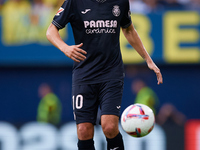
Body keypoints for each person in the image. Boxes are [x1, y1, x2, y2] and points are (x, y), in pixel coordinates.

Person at [46, 0, 163, 149]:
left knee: (109, 126)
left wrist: (148, 59)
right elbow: (51, 31)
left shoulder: (120, 2)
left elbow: (128, 30)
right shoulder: (74, 2)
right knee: (83, 131)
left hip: (111, 72)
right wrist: (65, 48)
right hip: (84, 73)